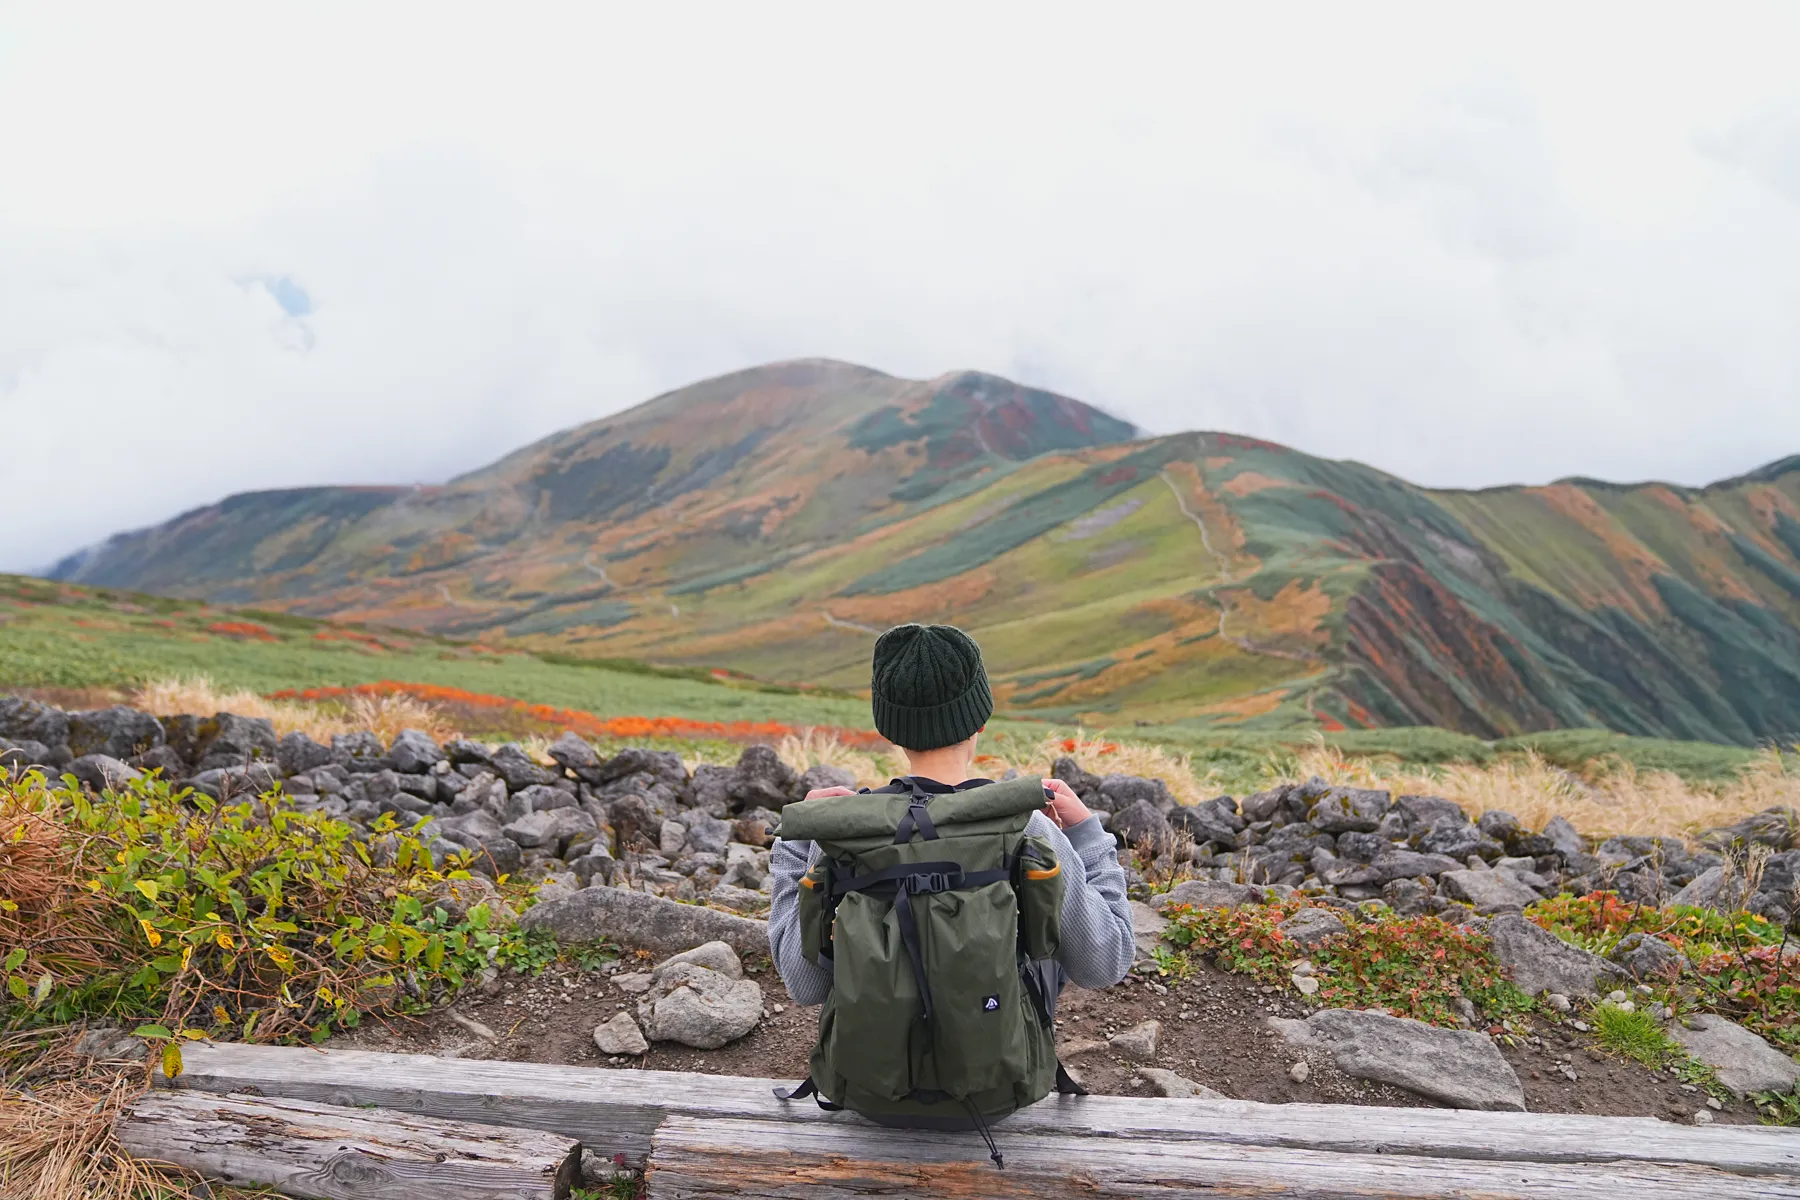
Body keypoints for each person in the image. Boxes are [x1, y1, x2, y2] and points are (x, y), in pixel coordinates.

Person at [769, 622, 1135, 1016]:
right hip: (1001, 1071)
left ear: (889, 729)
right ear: (980, 719)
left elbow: (804, 985)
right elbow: (1104, 964)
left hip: (871, 1073)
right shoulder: (1027, 827)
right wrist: (1087, 837)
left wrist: (799, 839)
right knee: (1045, 921)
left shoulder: (846, 832)